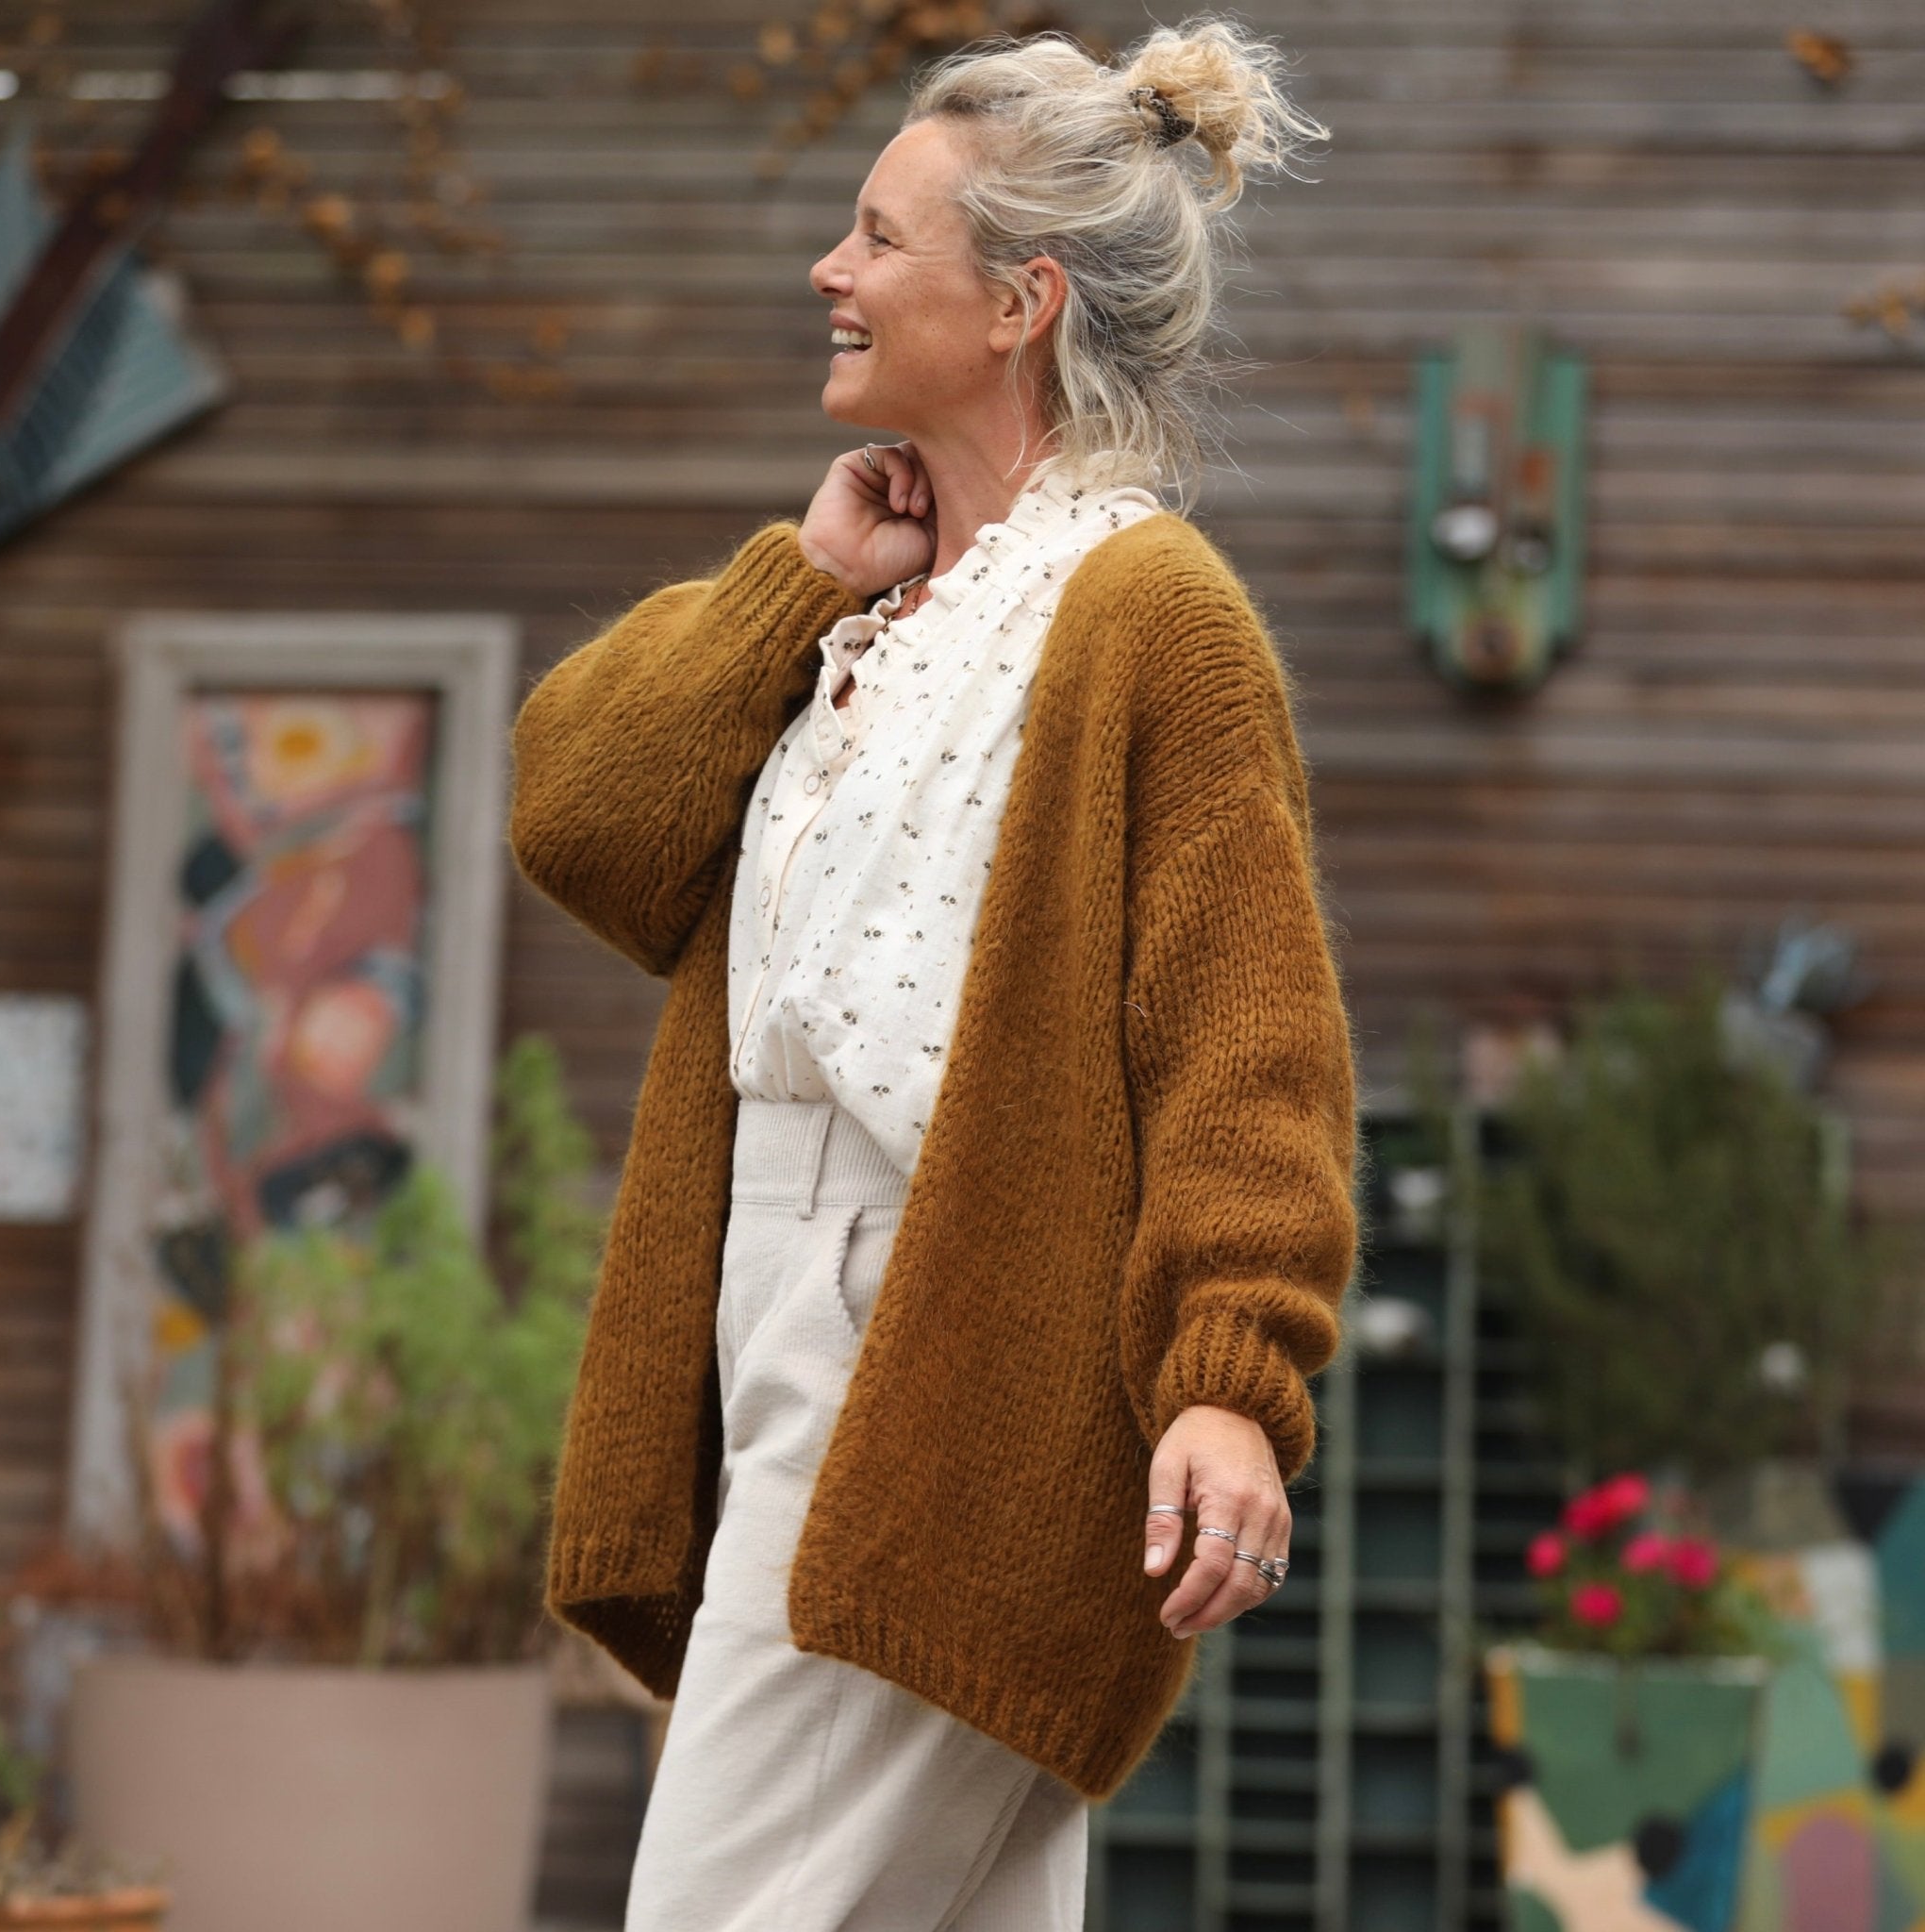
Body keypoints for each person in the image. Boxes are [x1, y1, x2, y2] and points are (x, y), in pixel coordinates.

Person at [506, 16, 1357, 1929]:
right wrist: (800, 581)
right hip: (786, 1312)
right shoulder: (879, 604)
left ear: (1018, 304)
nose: (831, 268)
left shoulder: (1146, 613)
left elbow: (1246, 1043)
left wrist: (1231, 1375)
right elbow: (582, 817)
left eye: (881, 236)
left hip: (945, 1341)